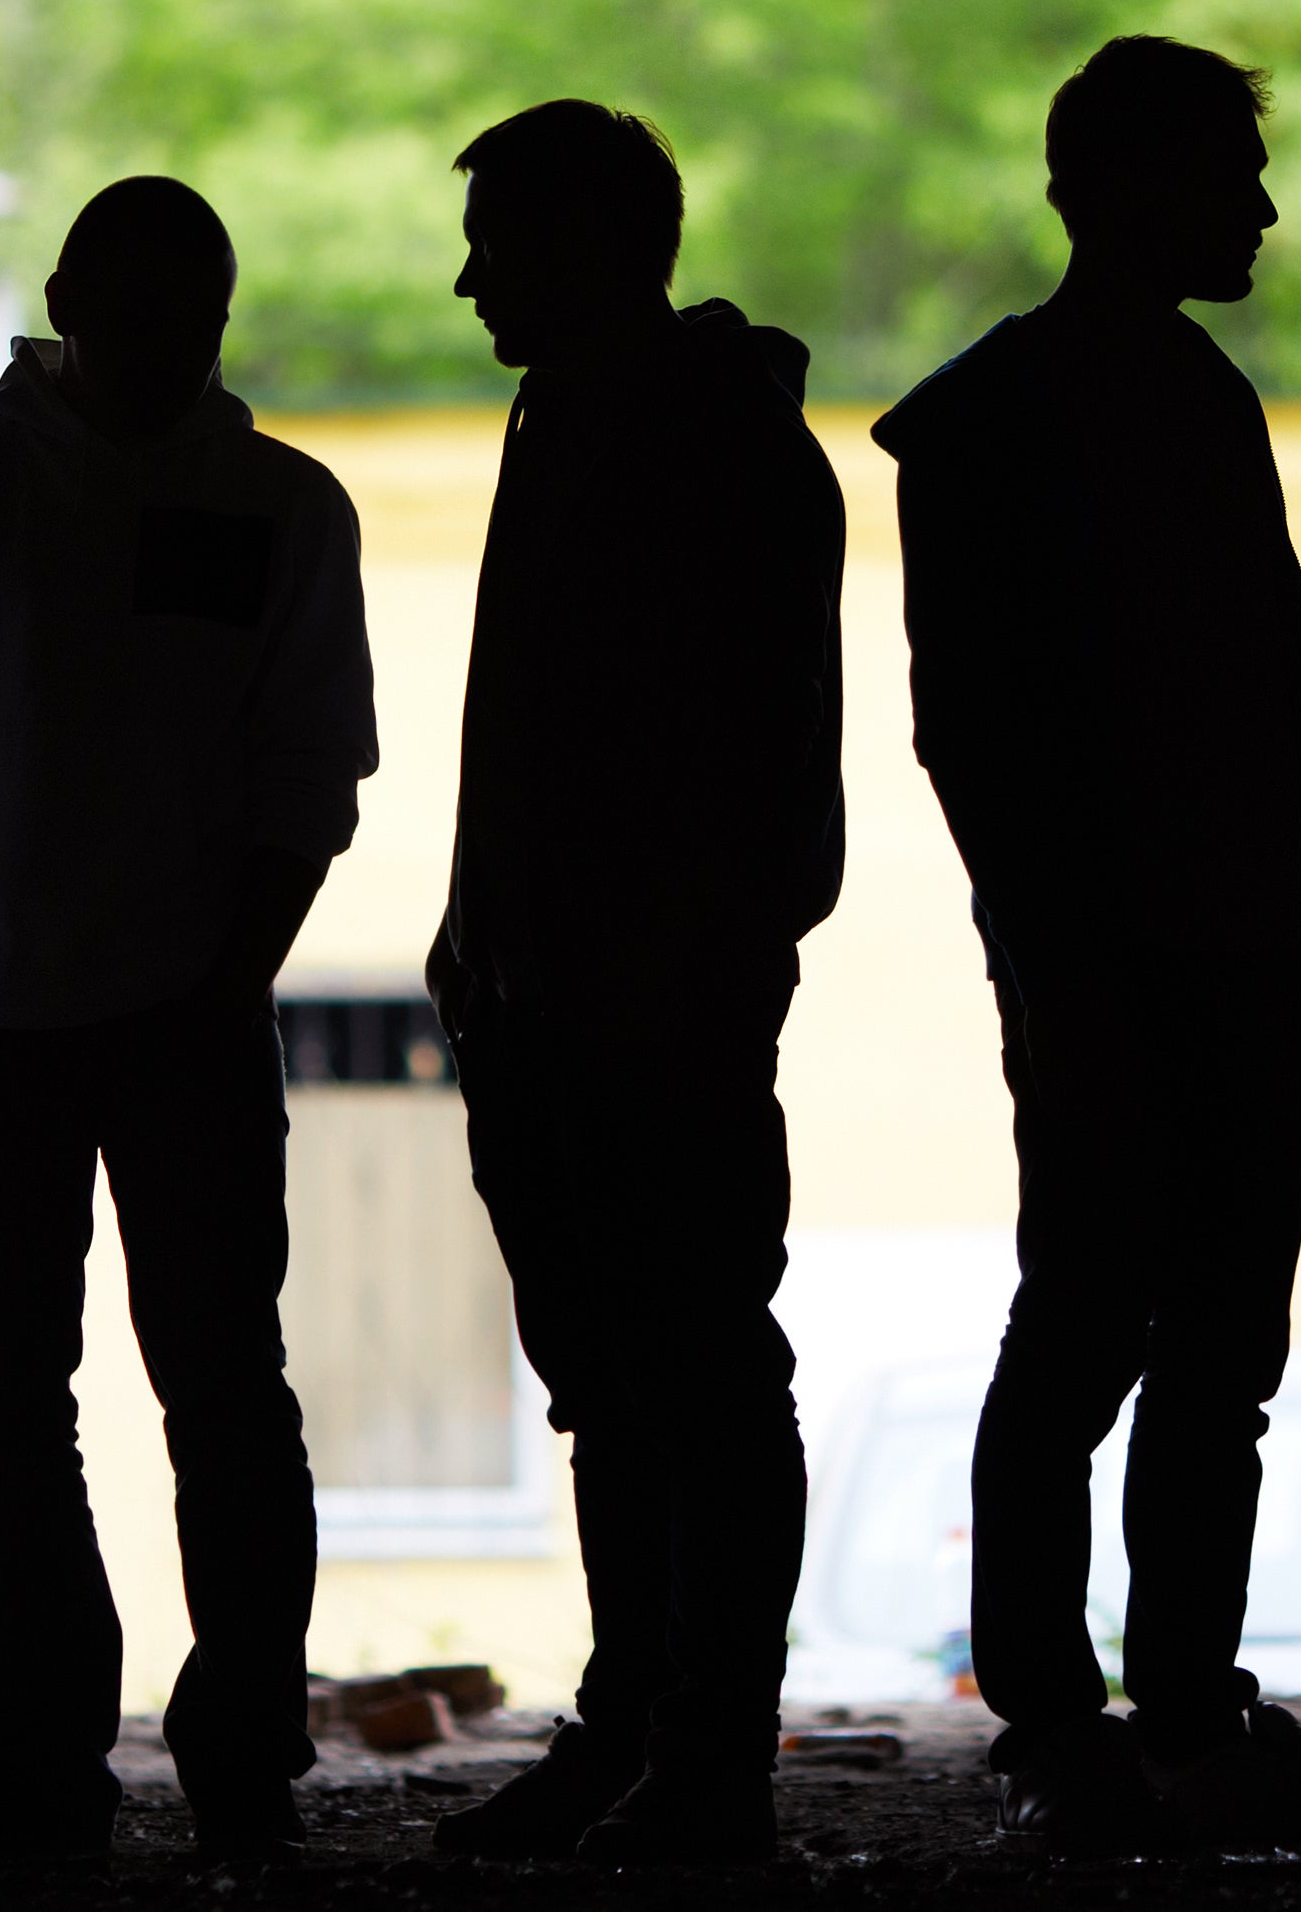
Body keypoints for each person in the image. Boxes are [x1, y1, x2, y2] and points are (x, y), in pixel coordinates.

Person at [876, 38, 1301, 1858]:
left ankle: (1104, 1725)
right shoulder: (1129, 410)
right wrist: (1217, 959)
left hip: (1177, 970)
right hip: (1161, 972)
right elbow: (1038, 739)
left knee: (1133, 1343)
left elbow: (1198, 716)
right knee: (1154, 1351)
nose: (1261, 210)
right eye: (1228, 178)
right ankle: (1129, 1720)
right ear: (1126, 189)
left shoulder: (1037, 413)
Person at [0, 176, 378, 1868]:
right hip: (35, 1012)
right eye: (143, 309)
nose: (164, 342)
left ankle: (120, 1755)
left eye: (188, 312)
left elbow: (306, 766)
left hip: (43, 1009)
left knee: (94, 1395)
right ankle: (144, 1754)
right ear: (68, 298)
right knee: (154, 1392)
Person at [418, 100, 843, 1868]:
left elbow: (724, 764)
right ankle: (651, 1729)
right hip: (570, 987)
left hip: (643, 991)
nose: (464, 284)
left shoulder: (697, 440)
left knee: (693, 1368)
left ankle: (703, 1757)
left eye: (495, 244)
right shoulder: (608, 418)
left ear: (589, 248)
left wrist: (621, 954)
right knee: (625, 1369)